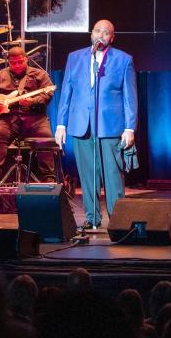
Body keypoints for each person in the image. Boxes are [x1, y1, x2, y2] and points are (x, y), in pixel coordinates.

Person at [55, 19, 137, 230]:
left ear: (112, 37)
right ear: (91, 33)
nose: (101, 35)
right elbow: (66, 93)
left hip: (110, 126)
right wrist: (61, 125)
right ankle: (92, 217)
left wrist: (130, 128)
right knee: (87, 175)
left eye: (106, 32)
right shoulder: (75, 58)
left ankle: (118, 218)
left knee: (112, 175)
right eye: (98, 31)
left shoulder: (123, 60)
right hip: (82, 125)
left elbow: (130, 96)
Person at [0, 46, 56, 189]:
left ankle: (49, 177)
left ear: (26, 59)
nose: (17, 65)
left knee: (45, 136)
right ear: (8, 62)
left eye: (20, 62)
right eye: (13, 63)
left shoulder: (40, 75)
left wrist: (33, 101)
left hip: (34, 117)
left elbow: (48, 94)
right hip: (8, 118)